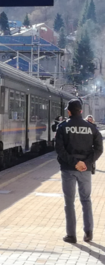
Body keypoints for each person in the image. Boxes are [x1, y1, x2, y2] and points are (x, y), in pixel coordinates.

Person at [55, 99, 103, 244]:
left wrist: (75, 163)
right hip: (85, 169)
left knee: (69, 202)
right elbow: (99, 149)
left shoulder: (63, 127)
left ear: (68, 112)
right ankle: (88, 232)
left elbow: (59, 150)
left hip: (68, 169)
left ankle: (71, 235)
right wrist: (86, 163)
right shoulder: (92, 128)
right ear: (81, 111)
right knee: (86, 200)